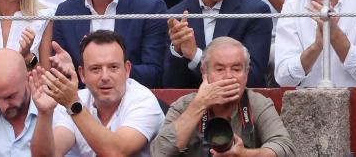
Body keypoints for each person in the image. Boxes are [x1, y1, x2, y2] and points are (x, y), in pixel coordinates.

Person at [29, 30, 164, 157]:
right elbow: (48, 155)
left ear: (127, 70)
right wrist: (45, 113)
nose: (105, 77)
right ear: (82, 74)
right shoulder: (76, 99)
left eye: (113, 67)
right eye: (95, 69)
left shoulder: (143, 99)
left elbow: (117, 152)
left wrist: (73, 105)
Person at [150, 38, 292, 157]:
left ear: (246, 73)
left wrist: (245, 154)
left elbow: (286, 148)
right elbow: (159, 152)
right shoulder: (186, 105)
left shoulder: (257, 103)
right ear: (204, 73)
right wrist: (199, 105)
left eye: (236, 69)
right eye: (219, 69)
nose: (229, 76)